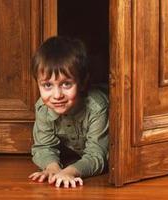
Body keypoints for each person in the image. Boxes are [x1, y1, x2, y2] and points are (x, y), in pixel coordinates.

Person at [27, 36, 109, 188]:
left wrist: (70, 171)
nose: (57, 95)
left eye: (66, 84)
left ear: (83, 83)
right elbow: (43, 147)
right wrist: (52, 168)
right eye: (47, 85)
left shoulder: (97, 107)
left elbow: (98, 155)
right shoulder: (43, 108)